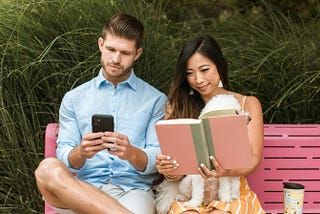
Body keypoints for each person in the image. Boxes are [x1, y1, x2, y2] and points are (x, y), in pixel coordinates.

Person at [34, 13, 167, 214]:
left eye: (125, 53)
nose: (115, 59)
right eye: (111, 49)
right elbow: (63, 156)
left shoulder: (156, 100)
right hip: (80, 191)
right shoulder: (74, 98)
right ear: (100, 44)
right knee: (46, 169)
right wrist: (81, 152)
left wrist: (132, 153)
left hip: (132, 192)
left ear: (137, 54)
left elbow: (156, 157)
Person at [155, 35, 265, 213]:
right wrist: (169, 170)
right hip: (192, 191)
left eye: (204, 69)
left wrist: (223, 172)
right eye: (190, 73)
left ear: (219, 66)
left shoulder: (247, 103)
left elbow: (253, 157)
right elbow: (177, 170)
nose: (198, 79)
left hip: (229, 189)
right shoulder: (178, 106)